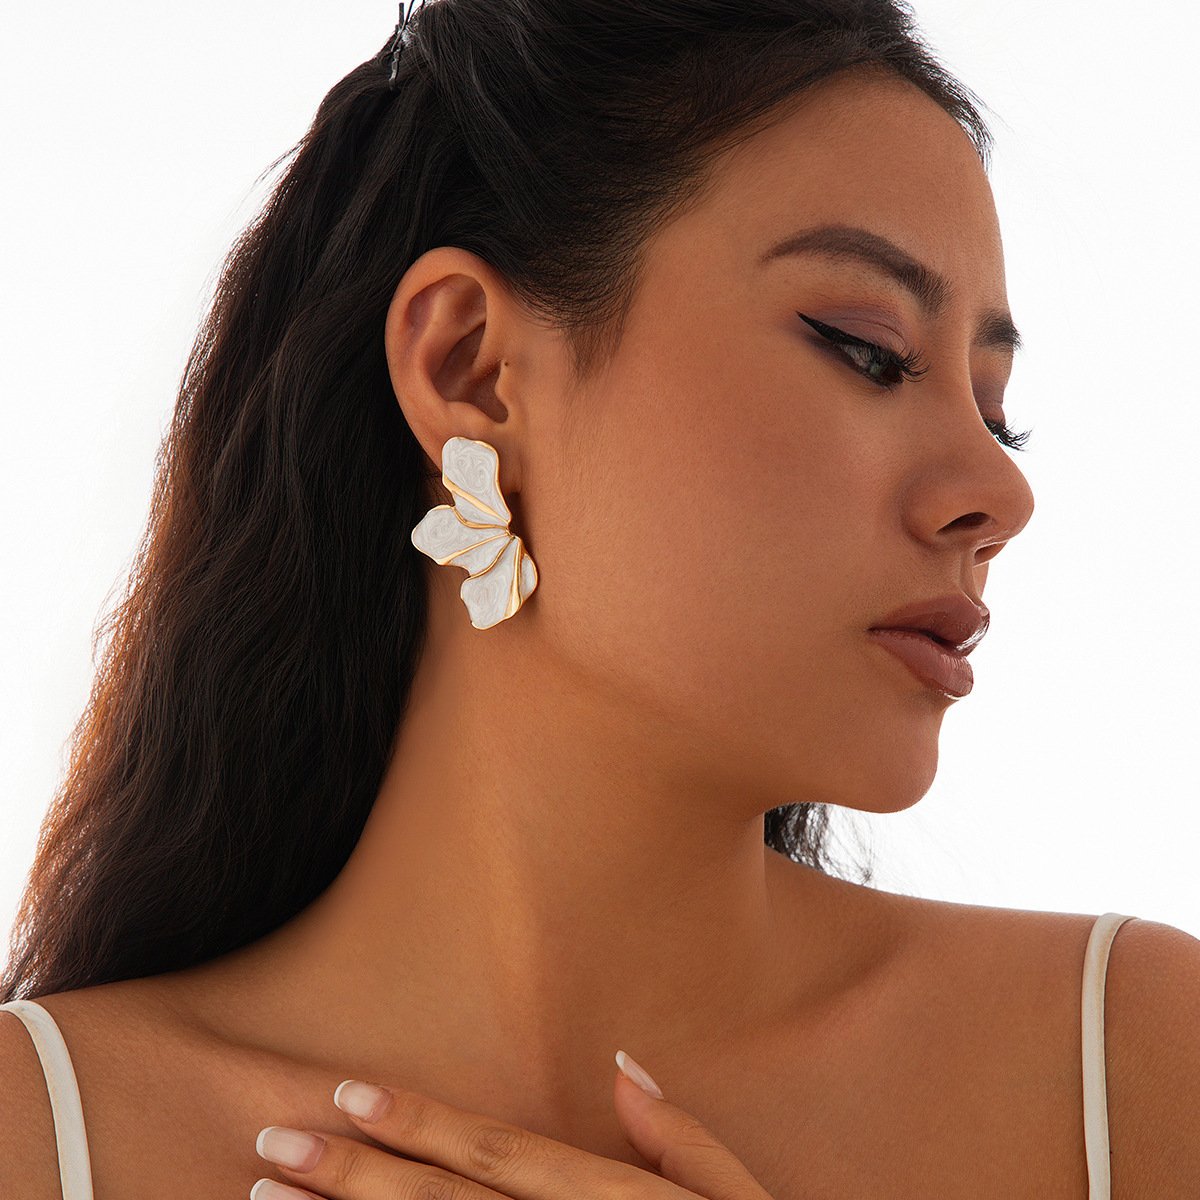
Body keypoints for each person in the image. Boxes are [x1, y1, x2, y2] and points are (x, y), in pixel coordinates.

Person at [2, 1, 1197, 1197]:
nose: (1000, 492)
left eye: (995, 412)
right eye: (867, 348)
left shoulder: (1137, 1068)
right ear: (472, 368)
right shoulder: (37, 1134)